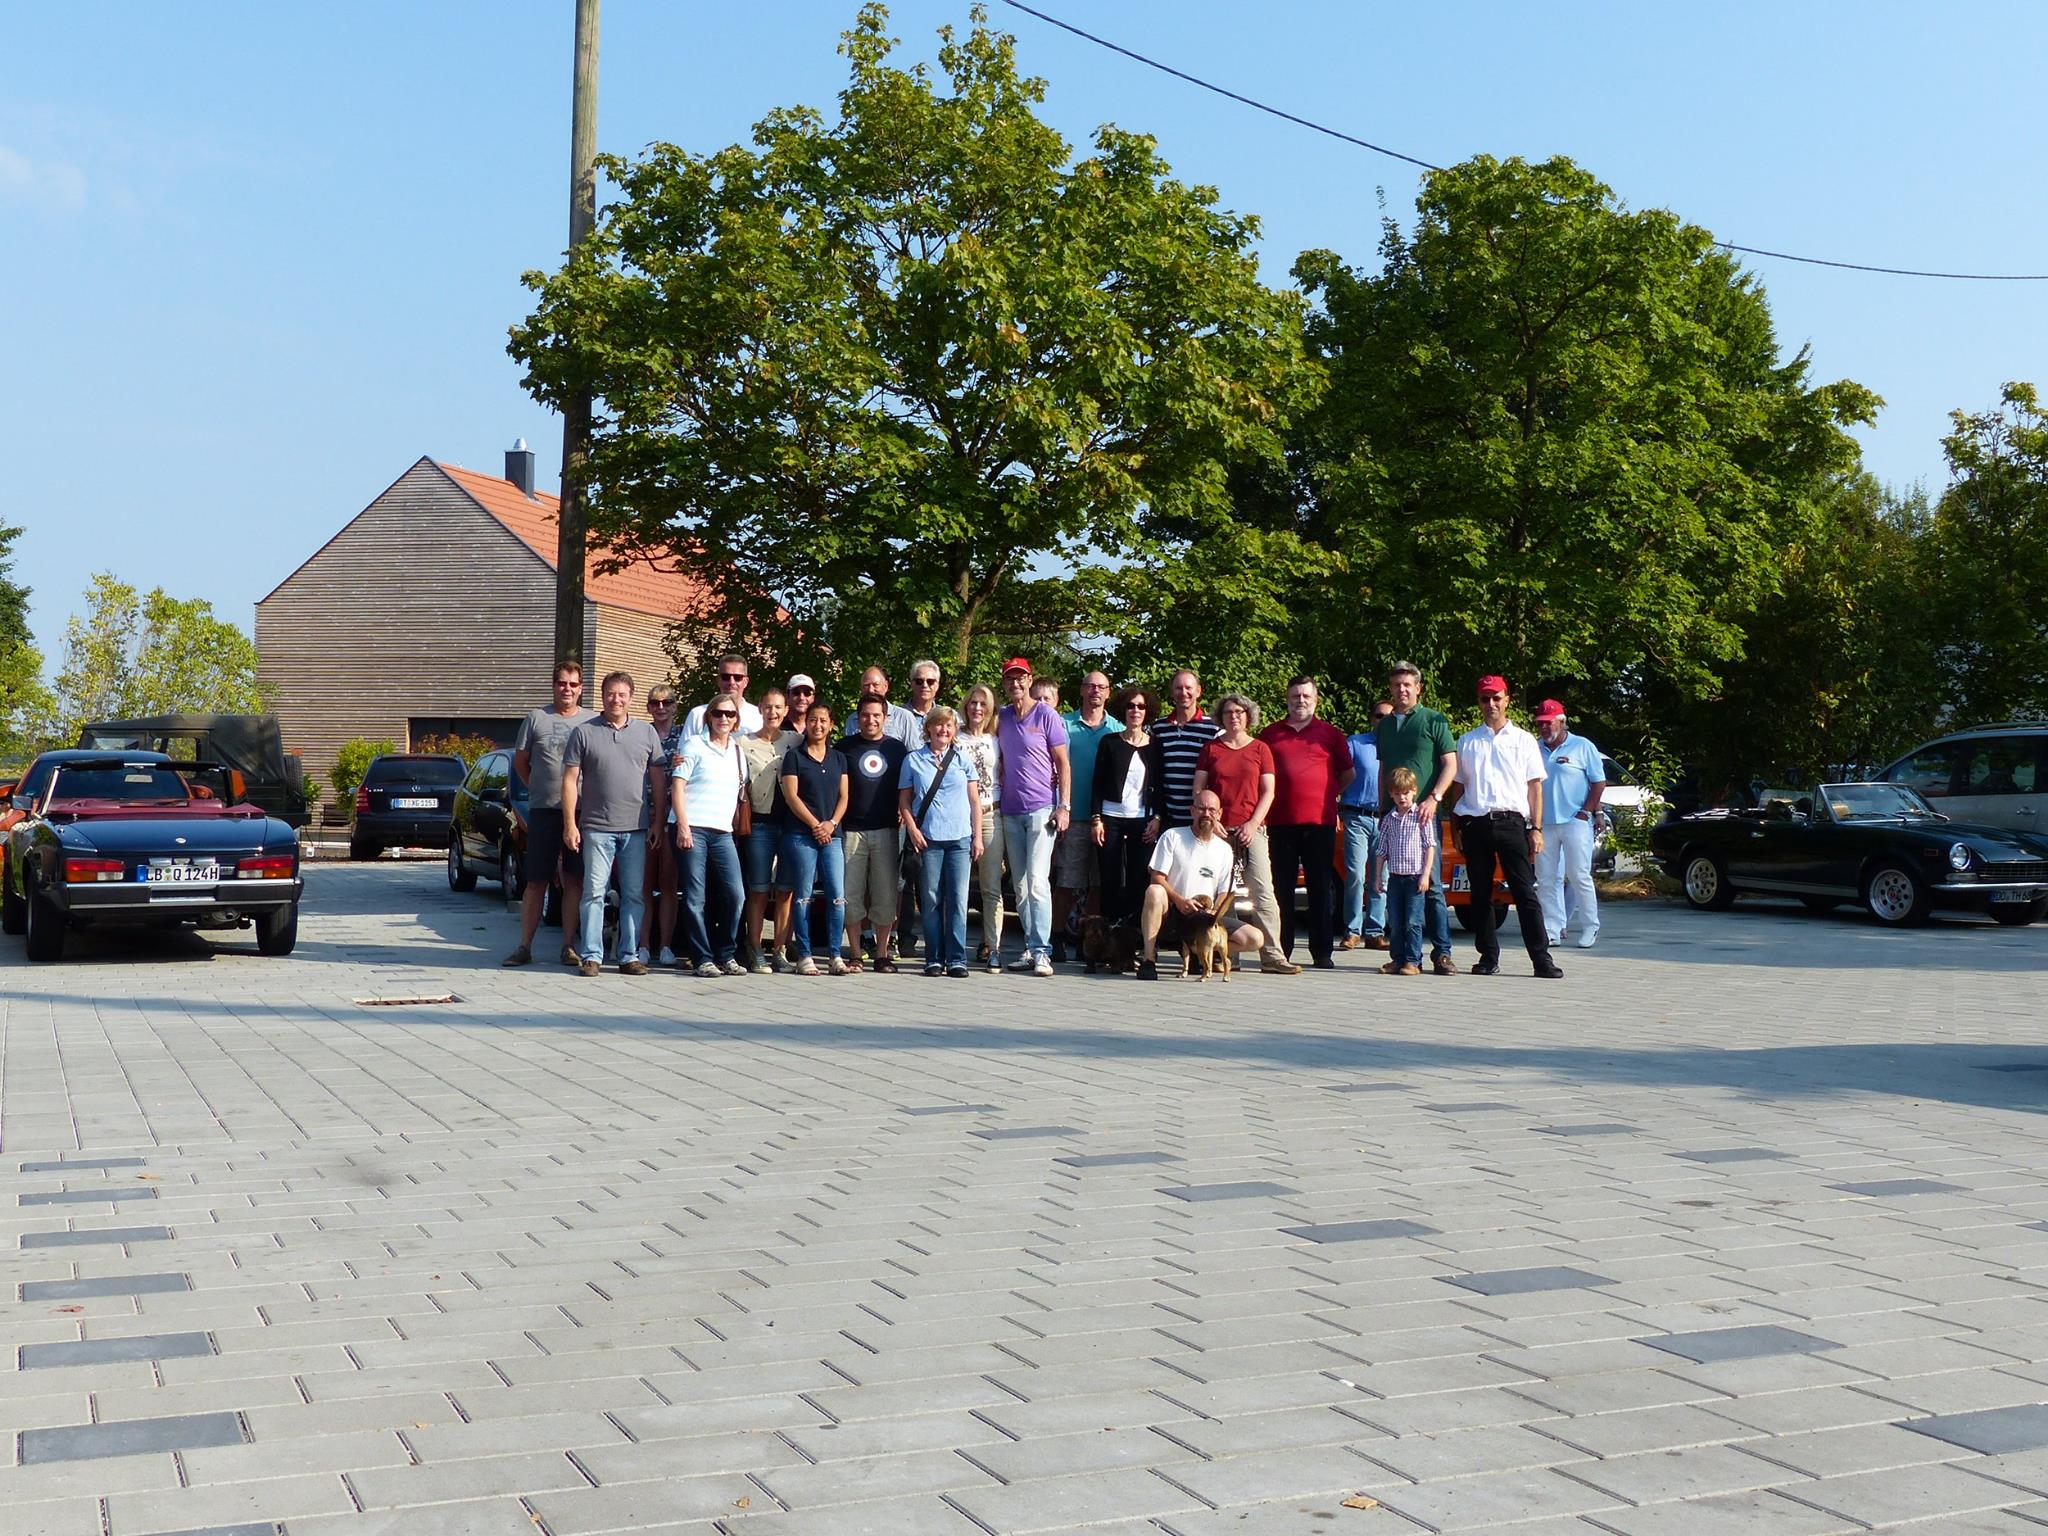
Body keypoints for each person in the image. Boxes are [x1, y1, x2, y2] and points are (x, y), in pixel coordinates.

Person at [1448, 675, 1562, 979]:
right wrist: (1456, 827)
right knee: (1480, 895)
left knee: (1525, 893)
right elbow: (1458, 788)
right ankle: (1487, 957)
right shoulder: (1467, 741)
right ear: (1479, 702)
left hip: (1512, 823)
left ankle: (1541, 959)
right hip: (1476, 824)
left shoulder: (1524, 739)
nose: (1491, 704)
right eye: (1485, 699)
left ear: (1507, 699)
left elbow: (1535, 787)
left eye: (1496, 697)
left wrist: (1535, 828)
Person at [560, 670, 666, 978]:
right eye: (610, 694)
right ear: (602, 696)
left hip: (636, 827)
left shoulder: (647, 734)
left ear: (631, 698)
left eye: (621, 694)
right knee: (594, 892)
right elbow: (569, 780)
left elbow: (658, 780)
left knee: (634, 894)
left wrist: (658, 820)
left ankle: (628, 955)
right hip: (595, 826)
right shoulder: (584, 732)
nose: (615, 699)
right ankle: (592, 955)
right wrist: (570, 822)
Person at [1192, 693, 1295, 975]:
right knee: (1223, 895)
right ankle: (1227, 956)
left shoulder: (1261, 749)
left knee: (1263, 892)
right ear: (1220, 717)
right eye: (1228, 712)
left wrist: (1252, 824)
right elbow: (1199, 790)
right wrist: (1211, 820)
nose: (1234, 716)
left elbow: (1268, 791)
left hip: (1253, 829)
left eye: (1239, 712)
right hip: (1218, 830)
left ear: (1248, 716)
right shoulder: (1211, 749)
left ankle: (1273, 956)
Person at [503, 661, 595, 968]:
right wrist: (536, 789)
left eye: (573, 684)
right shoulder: (536, 718)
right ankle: (524, 946)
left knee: (574, 880)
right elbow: (520, 762)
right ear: (554, 686)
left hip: (582, 812)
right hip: (544, 810)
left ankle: (568, 945)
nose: (567, 689)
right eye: (561, 683)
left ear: (581, 688)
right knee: (536, 880)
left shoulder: (592, 721)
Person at [1258, 676, 1353, 970]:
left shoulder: (1330, 734)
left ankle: (1321, 951)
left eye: (1306, 696)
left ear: (1316, 700)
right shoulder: (1271, 733)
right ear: (1287, 699)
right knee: (1281, 888)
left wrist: (1327, 795)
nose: (1300, 701)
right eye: (1295, 696)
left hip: (1319, 821)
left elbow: (1348, 774)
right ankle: (1281, 950)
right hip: (1280, 821)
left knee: (1320, 888)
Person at [1373, 661, 1460, 976]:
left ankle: (1443, 954)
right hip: (1393, 816)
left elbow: (1450, 764)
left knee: (1432, 885)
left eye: (1408, 685)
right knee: (1397, 890)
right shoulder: (1383, 726)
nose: (1402, 690)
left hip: (1424, 814)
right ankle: (1405, 956)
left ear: (1418, 688)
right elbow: (1384, 769)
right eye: (1397, 685)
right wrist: (1382, 807)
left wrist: (1435, 797)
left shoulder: (1433, 720)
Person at [995, 657, 1072, 978]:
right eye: (1010, 679)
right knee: (1021, 886)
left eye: (1021, 678)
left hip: (1042, 808)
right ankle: (1030, 945)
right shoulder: (1002, 717)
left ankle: (1043, 951)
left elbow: (1063, 764)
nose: (1015, 684)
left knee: (1039, 882)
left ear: (1030, 680)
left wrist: (1064, 805)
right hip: (1010, 811)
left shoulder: (1046, 714)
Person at [1135, 790, 1264, 980]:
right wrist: (1180, 901)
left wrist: (1215, 911)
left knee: (1255, 939)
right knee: (1154, 891)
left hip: (1204, 917)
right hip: (1174, 912)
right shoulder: (1172, 836)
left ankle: (1199, 952)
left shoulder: (1224, 849)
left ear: (1219, 814)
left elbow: (1225, 891)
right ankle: (1148, 960)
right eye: (1202, 809)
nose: (1206, 814)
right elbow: (1157, 876)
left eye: (1212, 810)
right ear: (1192, 811)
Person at [898, 705, 983, 977]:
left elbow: (974, 801)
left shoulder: (962, 760)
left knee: (958, 900)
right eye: (938, 725)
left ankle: (957, 958)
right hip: (929, 839)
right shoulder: (913, 760)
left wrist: (977, 836)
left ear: (954, 730)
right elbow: (905, 801)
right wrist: (912, 829)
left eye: (948, 726)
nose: (943, 730)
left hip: (960, 837)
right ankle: (933, 957)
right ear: (928, 728)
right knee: (931, 899)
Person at [671, 692, 749, 977]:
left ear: (736, 719)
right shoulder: (694, 744)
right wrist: (682, 826)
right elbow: (677, 785)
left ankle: (725, 953)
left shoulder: (738, 751)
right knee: (695, 897)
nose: (724, 719)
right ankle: (702, 957)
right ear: (709, 717)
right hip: (694, 829)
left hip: (723, 832)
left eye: (730, 714)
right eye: (718, 713)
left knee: (736, 895)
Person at [779, 702, 851, 976]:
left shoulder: (839, 758)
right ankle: (805, 955)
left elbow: (844, 796)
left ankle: (835, 954)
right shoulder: (794, 757)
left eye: (823, 720)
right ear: (806, 723)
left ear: (831, 725)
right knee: (803, 896)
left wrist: (831, 824)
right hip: (800, 835)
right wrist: (814, 825)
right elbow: (791, 796)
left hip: (832, 835)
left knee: (836, 896)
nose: (817, 725)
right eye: (813, 720)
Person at [841, 694, 909, 972]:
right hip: (852, 831)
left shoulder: (897, 749)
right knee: (851, 895)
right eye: (865, 715)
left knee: (885, 895)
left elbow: (907, 787)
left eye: (876, 715)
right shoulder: (844, 747)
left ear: (885, 718)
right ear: (858, 718)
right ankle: (855, 953)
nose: (871, 720)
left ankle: (882, 954)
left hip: (886, 830)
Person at [1052, 670, 1117, 962]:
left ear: (1108, 692)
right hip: (1073, 814)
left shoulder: (1117, 728)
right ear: (1081, 690)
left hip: (1106, 817)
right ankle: (1055, 937)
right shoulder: (1063, 724)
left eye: (1101, 687)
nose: (1095, 692)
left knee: (1098, 884)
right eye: (1090, 686)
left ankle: (1089, 941)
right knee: (1067, 881)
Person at [1535, 699, 1606, 949]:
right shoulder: (1535, 748)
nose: (1544, 728)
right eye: (1541, 723)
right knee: (1546, 879)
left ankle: (1590, 926)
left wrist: (1587, 812)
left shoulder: (1582, 746)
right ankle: (1552, 929)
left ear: (1562, 722)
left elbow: (1598, 783)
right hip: (1544, 823)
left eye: (1549, 722)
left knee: (1578, 875)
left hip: (1575, 821)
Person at [1090, 686, 1164, 929]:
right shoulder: (1110, 742)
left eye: (1141, 706)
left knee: (1139, 877)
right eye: (1131, 706)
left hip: (1142, 819)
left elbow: (1160, 784)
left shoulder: (1155, 745)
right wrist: (1096, 818)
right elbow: (1098, 783)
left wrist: (1157, 818)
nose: (1135, 710)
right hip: (1110, 817)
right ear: (1123, 710)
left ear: (1147, 711)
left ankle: (1132, 934)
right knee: (1109, 877)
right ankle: (1109, 932)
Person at [737, 687, 794, 971]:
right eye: (768, 706)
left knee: (785, 890)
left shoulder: (795, 741)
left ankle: (780, 949)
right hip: (759, 822)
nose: (773, 712)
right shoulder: (744, 743)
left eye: (778, 707)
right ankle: (756, 947)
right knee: (758, 889)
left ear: (786, 711)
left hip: (791, 823)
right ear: (760, 709)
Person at [894, 659, 944, 955]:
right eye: (919, 680)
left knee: (933, 878)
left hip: (937, 811)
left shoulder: (949, 717)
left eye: (930, 681)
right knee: (904, 877)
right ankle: (902, 938)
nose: (924, 686)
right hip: (905, 808)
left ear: (938, 685)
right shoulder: (898, 717)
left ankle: (933, 941)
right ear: (910, 683)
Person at [958, 683, 1007, 971]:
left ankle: (993, 947)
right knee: (958, 888)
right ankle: (954, 947)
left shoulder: (997, 739)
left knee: (991, 888)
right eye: (973, 703)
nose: (977, 708)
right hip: (959, 817)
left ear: (990, 710)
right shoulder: (956, 737)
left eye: (983, 704)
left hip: (992, 814)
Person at [1338, 700, 1393, 952]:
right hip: (1357, 815)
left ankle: (1375, 931)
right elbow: (1338, 773)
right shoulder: (1356, 743)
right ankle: (1352, 930)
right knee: (1356, 875)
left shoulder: (1398, 745)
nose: (1384, 720)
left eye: (1390, 717)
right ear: (1372, 718)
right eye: (1380, 716)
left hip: (1387, 818)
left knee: (1381, 878)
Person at [1377, 765, 1437, 976]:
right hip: (1395, 878)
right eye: (1396, 793)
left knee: (1412, 921)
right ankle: (1397, 959)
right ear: (1391, 794)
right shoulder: (1389, 819)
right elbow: (1381, 850)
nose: (1401, 797)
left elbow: (1429, 846)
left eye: (1405, 792)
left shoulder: (1421, 816)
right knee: (1395, 921)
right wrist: (1377, 878)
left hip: (1414, 878)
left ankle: (1413, 960)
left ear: (1414, 790)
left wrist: (1425, 874)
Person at [642, 684, 685, 967]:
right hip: (642, 815)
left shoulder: (685, 736)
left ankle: (666, 945)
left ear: (674, 706)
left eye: (666, 703)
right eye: (655, 703)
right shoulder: (639, 733)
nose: (661, 708)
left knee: (669, 882)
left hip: (673, 815)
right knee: (643, 884)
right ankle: (643, 945)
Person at [1150, 669, 1218, 833]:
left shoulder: (1213, 728)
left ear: (1198, 691)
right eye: (1178, 688)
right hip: (1167, 816)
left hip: (1201, 816)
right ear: (1172, 692)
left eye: (1188, 688)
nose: (1184, 693)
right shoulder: (1158, 728)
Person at [680, 654, 763, 740]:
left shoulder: (758, 716)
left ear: (745, 682)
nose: (731, 682)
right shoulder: (697, 714)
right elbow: (683, 750)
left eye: (737, 677)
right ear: (718, 680)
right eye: (725, 677)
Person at [860, 665, 923, 747]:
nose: (870, 690)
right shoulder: (852, 720)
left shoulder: (904, 718)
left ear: (885, 686)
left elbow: (914, 755)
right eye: (866, 685)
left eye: (875, 685)